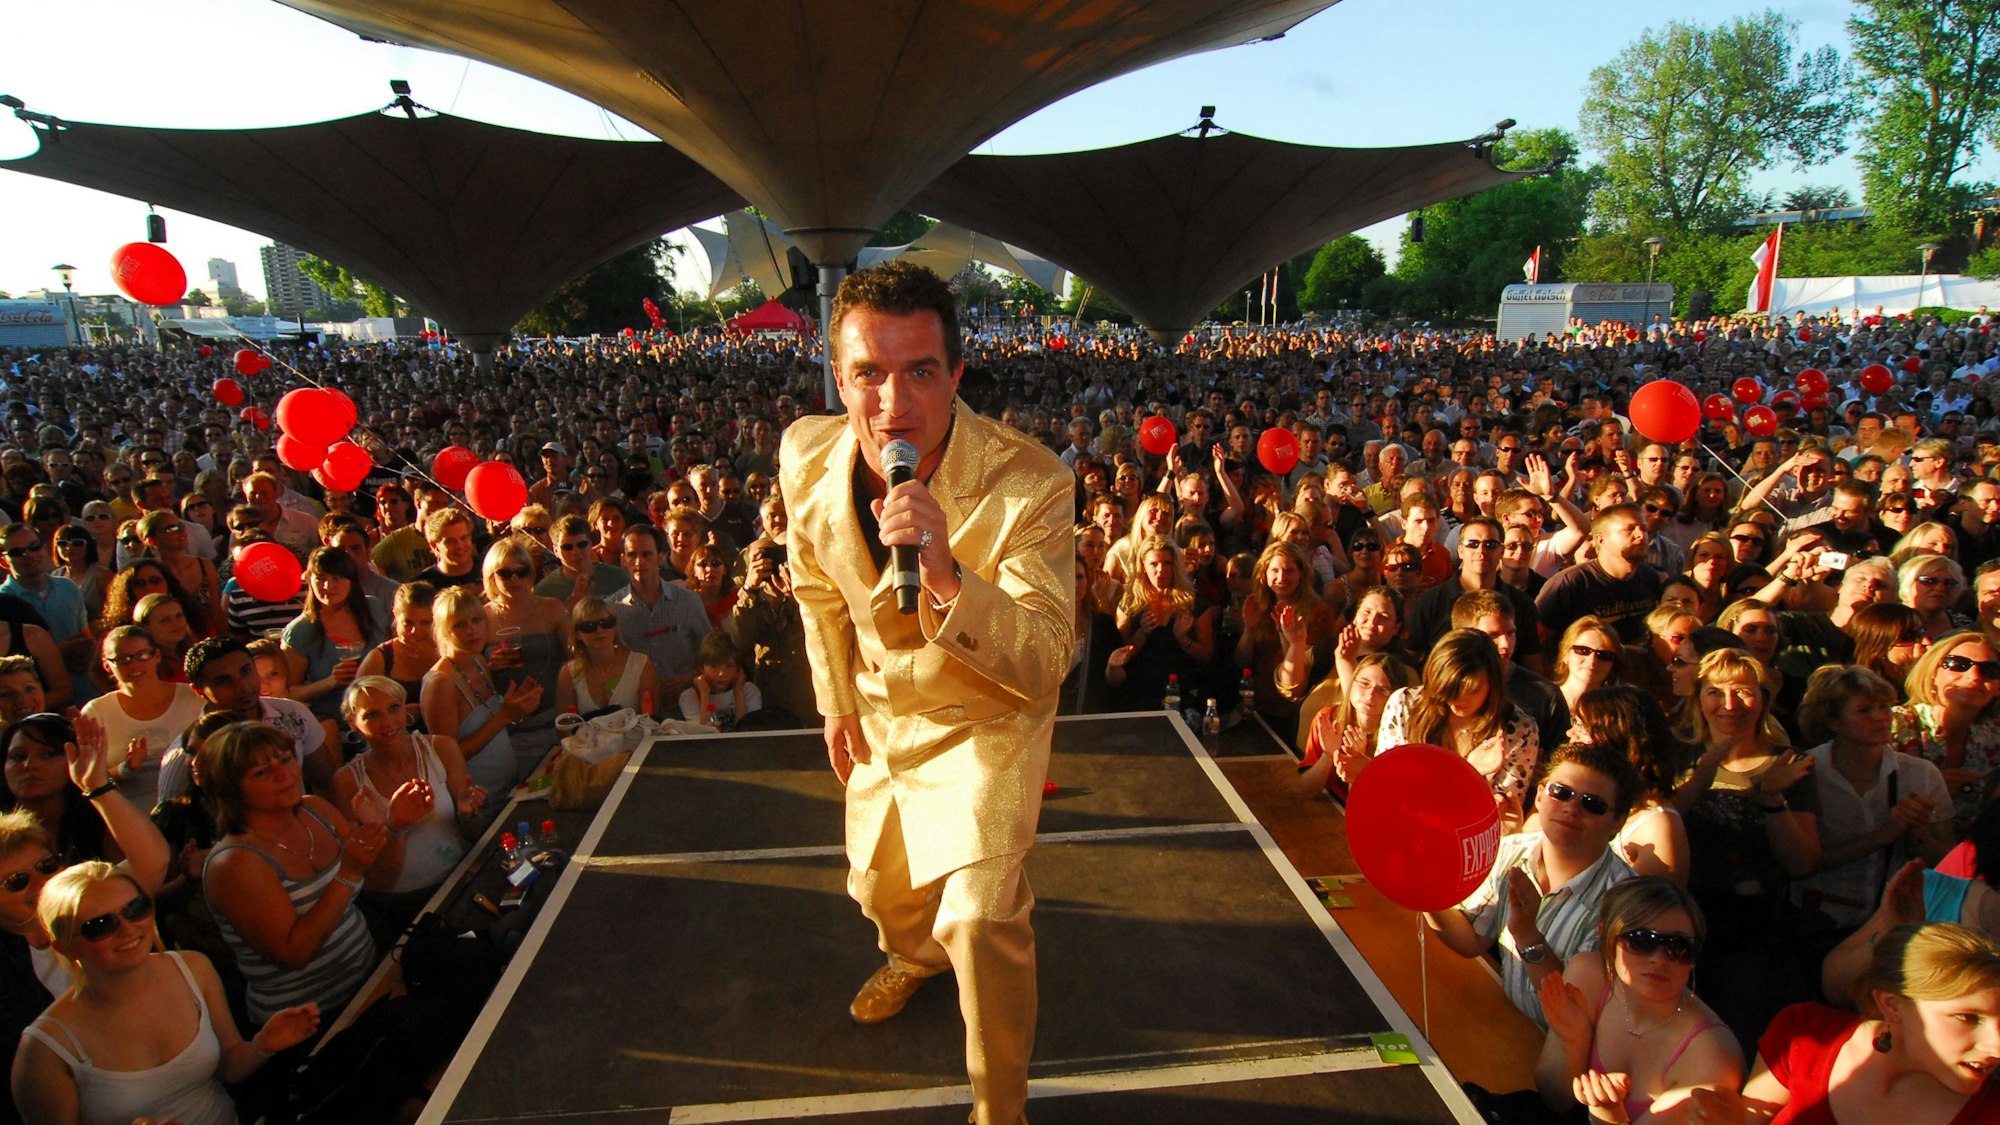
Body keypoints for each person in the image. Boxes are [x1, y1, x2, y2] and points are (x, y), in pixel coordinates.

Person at [779, 261, 1073, 1125]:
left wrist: (947, 575)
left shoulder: (1031, 482)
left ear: (957, 375)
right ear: (840, 378)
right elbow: (815, 584)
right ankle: (914, 953)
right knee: (881, 895)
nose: (892, 402)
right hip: (881, 715)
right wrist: (835, 699)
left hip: (988, 721)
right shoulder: (805, 452)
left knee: (979, 920)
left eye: (920, 371)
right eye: (869, 372)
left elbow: (1046, 656)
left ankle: (1001, 1108)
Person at [10, 861, 321, 1125]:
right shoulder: (45, 1050)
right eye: (101, 925)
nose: (128, 929)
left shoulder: (193, 968)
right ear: (64, 946)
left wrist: (262, 1046)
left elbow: (228, 1067)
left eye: (135, 909)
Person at [1423, 741, 1641, 1029]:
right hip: (1510, 1025)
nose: (1571, 808)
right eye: (1561, 793)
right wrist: (1425, 892)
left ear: (1618, 822)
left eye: (1593, 804)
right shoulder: (1509, 851)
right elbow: (1471, 940)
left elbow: (1575, 1018)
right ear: (1539, 796)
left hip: (1566, 1054)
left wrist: (1528, 937)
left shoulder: (1627, 904)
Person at [1704, 923, 2000, 1123]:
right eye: (1969, 1018)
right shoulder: (1804, 1035)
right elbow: (1749, 1118)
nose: (1996, 1046)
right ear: (1892, 1005)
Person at [198, 721, 381, 1028]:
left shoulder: (316, 809)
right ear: (231, 791)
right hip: (307, 1023)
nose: (285, 775)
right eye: (261, 772)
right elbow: (294, 953)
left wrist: (390, 825)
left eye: (284, 759)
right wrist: (347, 873)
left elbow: (370, 876)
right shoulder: (234, 864)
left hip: (369, 982)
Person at [1535, 878, 1742, 1122]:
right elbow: (1554, 1100)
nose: (1659, 959)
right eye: (1642, 940)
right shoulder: (1588, 977)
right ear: (1607, 938)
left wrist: (1608, 1114)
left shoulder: (1712, 1056)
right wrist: (1572, 1041)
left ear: (1694, 956)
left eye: (1678, 947)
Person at [1792, 666, 1954, 932]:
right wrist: (1883, 834)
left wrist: (1917, 833)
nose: (1880, 717)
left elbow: (1948, 865)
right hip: (1817, 920)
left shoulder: (1920, 774)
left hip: (1894, 923)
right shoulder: (1804, 772)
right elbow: (1801, 864)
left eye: (1885, 707)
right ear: (1832, 721)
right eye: (1864, 710)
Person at [329, 678, 484, 947]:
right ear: (353, 723)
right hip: (396, 909)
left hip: (457, 887)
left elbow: (474, 833)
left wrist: (468, 813)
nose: (388, 721)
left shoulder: (442, 749)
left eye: (394, 708)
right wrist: (393, 826)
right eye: (373, 715)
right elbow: (371, 876)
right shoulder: (347, 781)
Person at [1378, 629, 1541, 827]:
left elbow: (1497, 823)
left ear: (1493, 684)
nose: (1458, 700)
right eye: (1450, 689)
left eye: (1472, 690)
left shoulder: (1519, 731)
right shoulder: (1405, 705)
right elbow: (1392, 792)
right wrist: (1469, 771)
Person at [421, 586, 540, 802]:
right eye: (460, 624)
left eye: (477, 620)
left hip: (508, 788)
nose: (471, 630)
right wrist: (505, 715)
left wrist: (518, 707)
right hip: (479, 801)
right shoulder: (441, 683)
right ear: (444, 630)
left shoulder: (479, 661)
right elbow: (449, 757)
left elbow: (493, 727)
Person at [77, 627, 204, 815]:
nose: (133, 665)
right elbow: (89, 780)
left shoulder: (193, 697)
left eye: (142, 655)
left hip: (194, 808)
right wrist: (126, 769)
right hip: (130, 814)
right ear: (106, 665)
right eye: (122, 659)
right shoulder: (96, 712)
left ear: (157, 656)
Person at [1891, 630, 2000, 833]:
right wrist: (1932, 787)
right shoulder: (1894, 723)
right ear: (1933, 675)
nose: (1973, 676)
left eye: (1990, 670)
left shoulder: (1996, 735)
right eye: (1957, 664)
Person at [354, 582, 438, 730]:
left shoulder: (449, 649)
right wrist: (396, 714)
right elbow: (357, 713)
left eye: (425, 623)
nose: (414, 631)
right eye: (408, 623)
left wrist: (435, 662)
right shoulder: (380, 659)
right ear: (396, 616)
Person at [556, 595, 658, 717]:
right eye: (589, 626)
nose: (599, 630)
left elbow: (651, 719)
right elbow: (565, 726)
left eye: (606, 623)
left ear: (615, 626)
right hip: (586, 736)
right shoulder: (568, 673)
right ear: (577, 633)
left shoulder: (641, 664)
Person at [678, 632, 762, 728]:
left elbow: (747, 732)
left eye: (729, 666)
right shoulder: (689, 697)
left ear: (738, 669)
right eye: (714, 666)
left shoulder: (749, 691)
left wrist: (739, 693)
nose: (721, 673)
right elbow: (702, 735)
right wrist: (704, 695)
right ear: (701, 668)